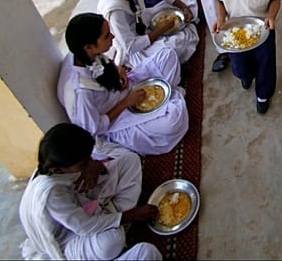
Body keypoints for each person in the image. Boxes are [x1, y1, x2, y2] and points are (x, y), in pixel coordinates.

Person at [18, 123, 162, 260]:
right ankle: (114, 220)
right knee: (111, 242)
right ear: (56, 170)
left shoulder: (59, 167)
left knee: (130, 160)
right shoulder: (52, 194)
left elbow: (86, 180)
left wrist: (96, 168)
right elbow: (83, 226)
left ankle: (110, 217)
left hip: (85, 202)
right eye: (84, 163)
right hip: (70, 237)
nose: (90, 162)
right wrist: (129, 216)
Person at [59, 13, 189, 155]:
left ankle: (162, 98)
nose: (113, 37)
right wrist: (127, 102)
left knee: (167, 55)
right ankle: (166, 100)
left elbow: (101, 63)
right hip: (116, 120)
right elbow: (94, 129)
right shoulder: (81, 92)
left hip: (123, 88)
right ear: (89, 47)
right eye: (107, 36)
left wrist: (117, 69)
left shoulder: (80, 53)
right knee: (172, 121)